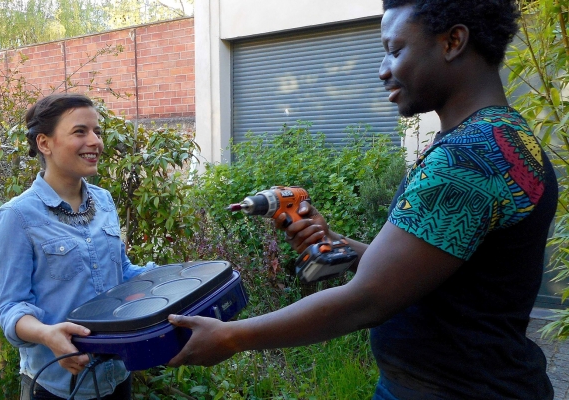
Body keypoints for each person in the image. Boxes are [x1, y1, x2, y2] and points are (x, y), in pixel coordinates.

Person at [167, 1, 558, 399]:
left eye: (395, 50)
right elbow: (438, 269)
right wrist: (340, 246)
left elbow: (365, 301)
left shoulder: (468, 159)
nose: (383, 70)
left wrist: (231, 336)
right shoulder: (504, 138)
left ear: (453, 41)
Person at [0, 93, 155, 400]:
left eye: (97, 132)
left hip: (117, 376)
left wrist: (171, 279)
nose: (95, 141)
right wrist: (47, 335)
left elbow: (121, 273)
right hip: (58, 385)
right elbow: (12, 307)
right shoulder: (17, 216)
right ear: (45, 143)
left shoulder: (104, 201)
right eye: (80, 132)